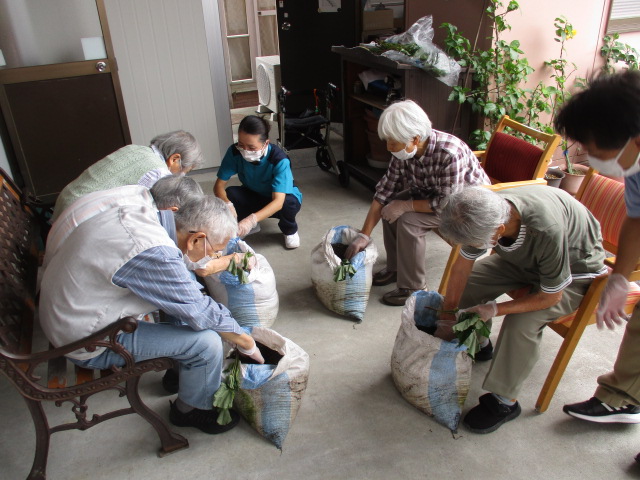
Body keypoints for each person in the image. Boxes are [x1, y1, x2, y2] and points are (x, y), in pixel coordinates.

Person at [39, 193, 264, 435]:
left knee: (186, 293)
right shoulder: (156, 253)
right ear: (196, 239)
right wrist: (246, 342)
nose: (215, 257)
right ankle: (190, 410)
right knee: (208, 342)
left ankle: (179, 375)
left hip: (67, 312)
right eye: (215, 251)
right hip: (84, 340)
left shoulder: (145, 213)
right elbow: (202, 312)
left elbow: (187, 292)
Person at [436, 185, 606, 434]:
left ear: (499, 230)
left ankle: (505, 401)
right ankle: (481, 344)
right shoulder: (480, 211)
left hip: (573, 271)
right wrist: (448, 314)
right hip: (527, 260)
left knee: (521, 322)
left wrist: (494, 308)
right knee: (468, 287)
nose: (474, 246)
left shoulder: (545, 228)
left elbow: (551, 296)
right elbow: (463, 266)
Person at [554, 70, 640, 434]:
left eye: (593, 149)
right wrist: (619, 277)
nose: (588, 158)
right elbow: (636, 219)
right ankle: (622, 398)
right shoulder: (634, 167)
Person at [344, 100, 490, 306]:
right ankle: (396, 269)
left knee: (408, 220)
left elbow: (446, 203)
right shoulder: (404, 150)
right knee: (390, 206)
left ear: (415, 138)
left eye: (392, 142)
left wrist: (406, 206)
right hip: (433, 195)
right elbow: (385, 190)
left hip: (464, 207)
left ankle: (413, 288)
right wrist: (363, 235)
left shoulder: (450, 153)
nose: (389, 147)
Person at [51, 130, 204, 221]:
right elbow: (150, 213)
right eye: (184, 171)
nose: (181, 175)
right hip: (78, 214)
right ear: (174, 159)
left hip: (66, 200)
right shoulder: (158, 172)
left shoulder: (136, 149)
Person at [214, 115, 302, 249]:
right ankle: (247, 226)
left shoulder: (279, 160)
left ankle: (289, 230)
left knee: (288, 203)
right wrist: (228, 204)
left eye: (251, 147)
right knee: (231, 193)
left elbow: (278, 202)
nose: (245, 151)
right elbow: (218, 186)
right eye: (241, 145)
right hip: (254, 194)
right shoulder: (234, 152)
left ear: (266, 143)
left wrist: (251, 220)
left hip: (278, 200)